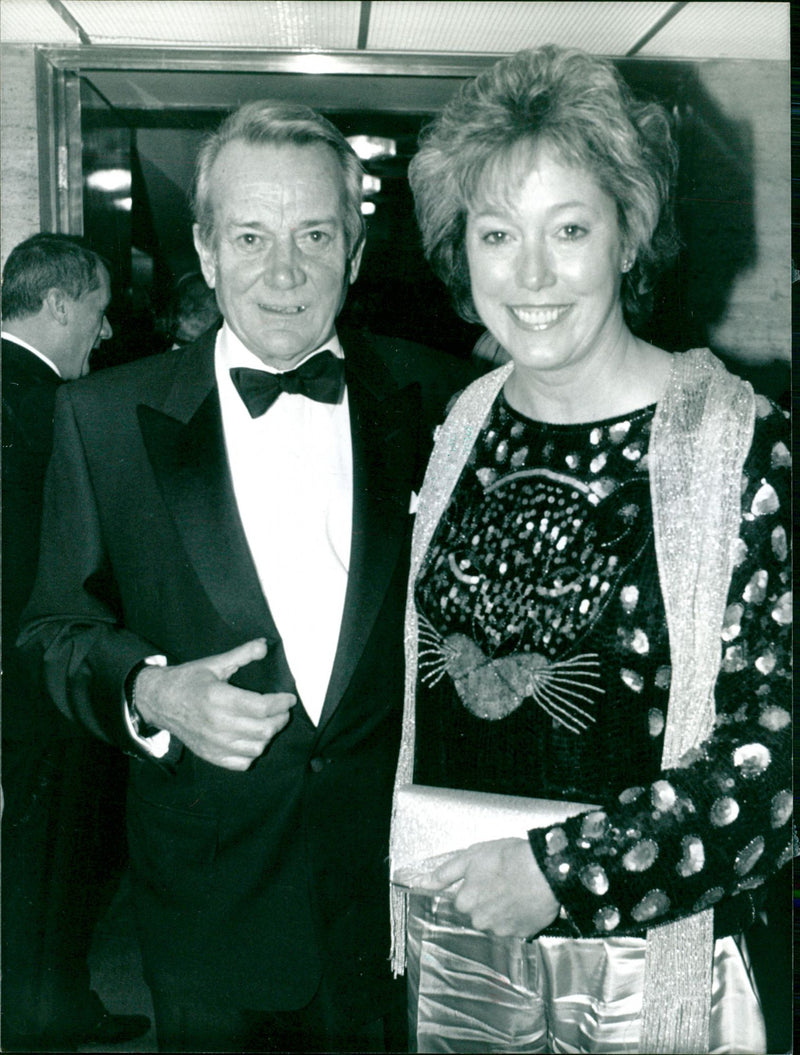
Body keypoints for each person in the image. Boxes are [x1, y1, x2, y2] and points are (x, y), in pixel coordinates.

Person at [18, 101, 471, 1053]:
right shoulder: (101, 419)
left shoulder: (443, 402)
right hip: (204, 906)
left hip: (387, 907)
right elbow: (52, 631)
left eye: (315, 235)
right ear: (207, 249)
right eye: (252, 236)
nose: (285, 271)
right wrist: (149, 690)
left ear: (354, 249)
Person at [389, 46, 792, 1054]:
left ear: (626, 233)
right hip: (459, 931)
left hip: (651, 958)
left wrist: (561, 870)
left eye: (567, 229)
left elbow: (774, 755)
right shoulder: (461, 423)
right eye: (496, 233)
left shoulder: (738, 443)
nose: (529, 274)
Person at [1, 233, 151, 1051]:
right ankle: (41, 1024)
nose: (102, 332)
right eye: (95, 312)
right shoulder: (42, 403)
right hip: (35, 696)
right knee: (46, 874)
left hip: (19, 690)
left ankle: (56, 1006)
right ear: (58, 305)